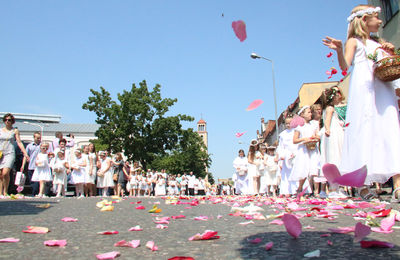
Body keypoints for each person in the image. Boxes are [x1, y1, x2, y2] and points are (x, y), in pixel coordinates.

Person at [323, 4, 400, 201]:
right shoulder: (354, 42)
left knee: (390, 129)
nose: (381, 21)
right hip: (365, 91)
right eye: (376, 17)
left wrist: (390, 52)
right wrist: (340, 50)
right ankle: (363, 186)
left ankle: (398, 183)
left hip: (383, 88)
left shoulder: (379, 42)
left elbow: (388, 65)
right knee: (364, 132)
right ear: (364, 20)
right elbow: (344, 66)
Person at [320, 86, 347, 199]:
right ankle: (333, 188)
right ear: (334, 97)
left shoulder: (332, 108)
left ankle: (337, 187)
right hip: (333, 134)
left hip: (335, 132)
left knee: (337, 157)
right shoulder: (330, 108)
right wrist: (327, 129)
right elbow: (327, 120)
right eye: (338, 94)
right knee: (334, 156)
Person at [290, 106, 320, 195]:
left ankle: (316, 191)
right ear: (302, 115)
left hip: (313, 149)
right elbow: (294, 140)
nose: (311, 114)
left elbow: (317, 136)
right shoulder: (299, 127)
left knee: (314, 169)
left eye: (311, 112)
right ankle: (300, 188)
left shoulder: (313, 124)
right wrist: (304, 139)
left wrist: (315, 138)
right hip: (304, 150)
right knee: (304, 169)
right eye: (308, 112)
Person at [0, 114, 29, 197]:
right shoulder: (0, 130)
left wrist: (25, 153)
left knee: (5, 173)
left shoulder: (15, 131)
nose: (7, 121)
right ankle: (0, 193)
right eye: (5, 119)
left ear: (12, 121)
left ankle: (5, 191)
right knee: (0, 174)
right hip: (1, 153)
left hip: (10, 153)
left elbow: (19, 142)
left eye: (9, 120)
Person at [276, 114, 298, 196]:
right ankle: (287, 191)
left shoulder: (297, 130)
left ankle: (296, 190)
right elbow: (281, 146)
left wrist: (296, 153)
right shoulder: (282, 134)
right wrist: (280, 155)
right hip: (286, 155)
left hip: (295, 153)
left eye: (290, 123)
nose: (288, 125)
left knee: (295, 172)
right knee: (286, 174)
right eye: (287, 123)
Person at [21, 131, 41, 196]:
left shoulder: (42, 146)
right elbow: (25, 155)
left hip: (39, 166)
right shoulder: (29, 146)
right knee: (31, 180)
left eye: (39, 138)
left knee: (38, 181)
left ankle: (36, 193)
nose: (39, 139)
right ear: (34, 137)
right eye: (37, 138)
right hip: (31, 166)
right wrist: (23, 165)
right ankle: (33, 192)